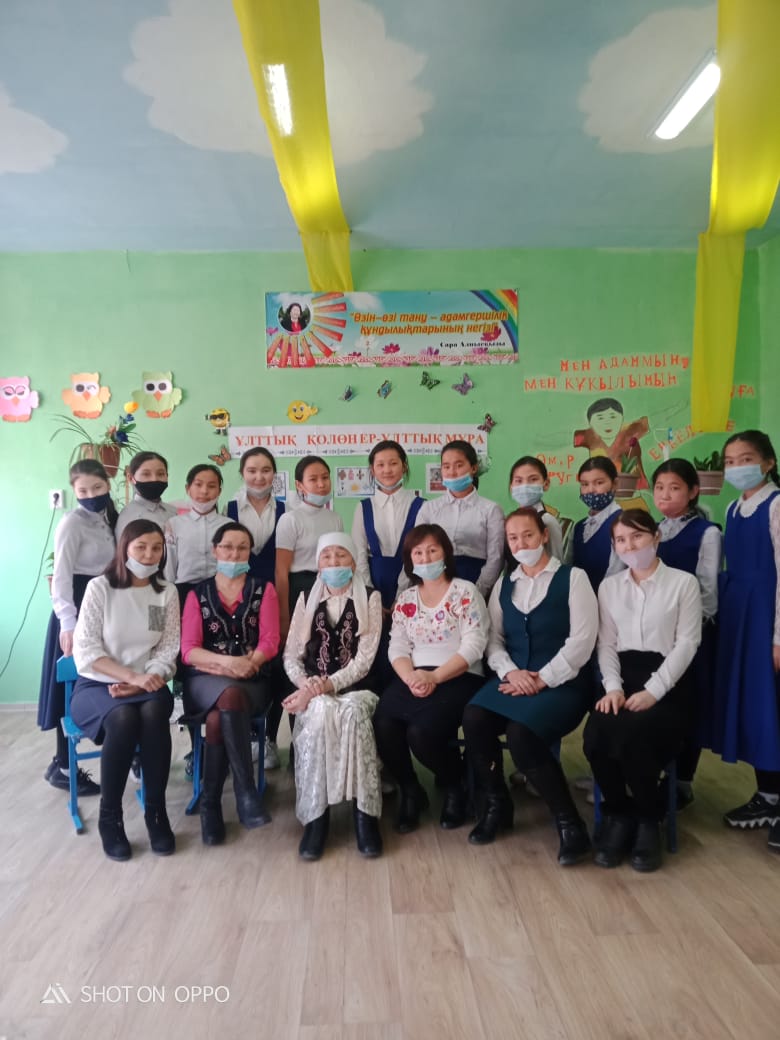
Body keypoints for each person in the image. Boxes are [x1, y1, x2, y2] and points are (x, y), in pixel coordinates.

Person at [463, 508, 598, 863]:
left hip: (564, 682)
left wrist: (542, 678)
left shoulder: (574, 578)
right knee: (474, 717)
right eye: (513, 538)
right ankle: (498, 805)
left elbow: (582, 642)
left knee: (522, 734)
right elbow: (493, 640)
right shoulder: (505, 583)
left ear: (543, 535)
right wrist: (511, 673)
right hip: (515, 678)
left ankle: (569, 824)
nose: (521, 543)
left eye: (528, 535)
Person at [583, 509, 701, 872]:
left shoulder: (683, 583)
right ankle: (619, 814)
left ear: (656, 537)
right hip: (621, 677)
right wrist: (612, 687)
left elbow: (687, 643)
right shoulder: (609, 587)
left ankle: (649, 818)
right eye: (621, 540)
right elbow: (606, 644)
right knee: (596, 734)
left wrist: (654, 690)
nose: (630, 546)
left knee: (637, 735)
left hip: (669, 682)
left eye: (637, 536)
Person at [71, 520, 179, 861]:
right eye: (140, 547)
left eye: (156, 548)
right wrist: (131, 678)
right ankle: (110, 817)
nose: (149, 554)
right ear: (124, 549)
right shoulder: (100, 588)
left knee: (154, 711)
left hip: (147, 681)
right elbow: (86, 651)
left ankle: (156, 813)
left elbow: (165, 647)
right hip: (96, 683)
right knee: (122, 720)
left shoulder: (163, 593)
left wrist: (147, 678)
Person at [373, 524, 489, 832]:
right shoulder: (406, 598)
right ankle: (411, 790)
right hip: (414, 674)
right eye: (418, 553)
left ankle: (455, 786)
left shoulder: (465, 591)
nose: (425, 558)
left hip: (460, 674)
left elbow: (474, 645)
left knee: (421, 732)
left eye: (432, 550)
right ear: (409, 560)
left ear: (446, 554)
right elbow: (397, 646)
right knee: (383, 722)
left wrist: (435, 676)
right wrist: (410, 676)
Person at [283, 532, 383, 860]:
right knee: (321, 712)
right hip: (313, 689)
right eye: (327, 556)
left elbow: (364, 661)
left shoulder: (371, 598)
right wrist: (308, 687)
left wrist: (326, 686)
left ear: (353, 562)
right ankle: (316, 817)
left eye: (341, 555)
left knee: (352, 713)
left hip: (358, 687)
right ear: (318, 564)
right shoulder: (305, 599)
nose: (334, 562)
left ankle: (365, 815)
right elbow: (291, 656)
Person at [181, 523, 279, 844]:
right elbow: (189, 650)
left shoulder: (264, 589)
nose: (234, 553)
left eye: (242, 547)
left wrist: (251, 663)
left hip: (253, 678)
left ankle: (210, 803)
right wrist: (229, 663)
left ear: (250, 552)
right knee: (228, 693)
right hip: (204, 680)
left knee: (219, 715)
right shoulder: (197, 594)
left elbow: (270, 641)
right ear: (215, 550)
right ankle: (245, 793)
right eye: (227, 547)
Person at [705, 431, 780, 853]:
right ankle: (768, 795)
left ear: (768, 463)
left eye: (746, 459)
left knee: (775, 706)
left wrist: (778, 638)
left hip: (767, 618)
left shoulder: (777, 505)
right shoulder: (734, 508)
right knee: (755, 707)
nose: (736, 467)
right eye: (730, 461)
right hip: (740, 618)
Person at [38, 459, 117, 796]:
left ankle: (120, 750)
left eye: (97, 488)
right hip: (77, 606)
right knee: (68, 685)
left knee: (106, 675)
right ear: (74, 491)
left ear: (108, 484)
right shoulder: (71, 522)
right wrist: (67, 623)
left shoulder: (110, 517)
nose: (90, 495)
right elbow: (61, 576)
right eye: (82, 491)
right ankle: (63, 765)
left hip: (106, 603)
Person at [652, 458, 721, 809]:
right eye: (659, 488)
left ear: (693, 491)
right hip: (653, 634)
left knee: (687, 704)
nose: (665, 495)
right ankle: (649, 771)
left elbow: (708, 590)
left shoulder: (707, 533)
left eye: (674, 488)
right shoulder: (653, 530)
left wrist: (687, 631)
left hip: (690, 635)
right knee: (656, 700)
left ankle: (682, 780)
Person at [352, 440, 425, 688]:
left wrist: (402, 593)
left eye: (393, 463)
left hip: (412, 582)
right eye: (380, 465)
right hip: (374, 583)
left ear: (404, 466)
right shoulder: (363, 507)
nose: (387, 470)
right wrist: (372, 595)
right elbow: (359, 553)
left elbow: (417, 553)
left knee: (408, 645)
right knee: (376, 648)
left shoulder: (421, 506)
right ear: (372, 470)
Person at [415, 440, 504, 598]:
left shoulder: (491, 510)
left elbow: (495, 558)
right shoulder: (429, 508)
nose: (452, 472)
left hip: (476, 581)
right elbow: (417, 550)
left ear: (473, 468)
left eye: (459, 465)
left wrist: (477, 592)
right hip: (435, 584)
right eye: (446, 466)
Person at [164, 464, 231, 608]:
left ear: (219, 491)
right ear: (187, 488)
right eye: (198, 485)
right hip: (183, 591)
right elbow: (169, 565)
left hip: (220, 591)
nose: (204, 491)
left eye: (211, 486)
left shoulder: (229, 525)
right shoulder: (174, 524)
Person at [225, 447, 286, 584]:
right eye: (252, 471)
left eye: (266, 471)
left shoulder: (286, 511)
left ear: (274, 474)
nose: (259, 477)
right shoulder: (228, 510)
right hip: (238, 588)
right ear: (242, 473)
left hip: (275, 586)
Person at [567, 457, 624, 591]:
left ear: (615, 484)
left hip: (610, 597)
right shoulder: (579, 527)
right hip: (580, 598)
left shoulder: (623, 523)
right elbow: (570, 567)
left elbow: (617, 574)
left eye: (599, 483)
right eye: (585, 484)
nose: (591, 490)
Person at [507, 456, 564, 560]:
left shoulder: (548, 521)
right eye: (518, 481)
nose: (525, 486)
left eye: (533, 479)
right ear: (511, 487)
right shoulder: (510, 521)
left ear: (546, 484)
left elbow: (556, 561)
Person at [115, 451, 177, 539]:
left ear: (167, 476)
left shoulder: (173, 511)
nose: (154, 479)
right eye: (146, 474)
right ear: (131, 478)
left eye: (160, 474)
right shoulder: (129, 517)